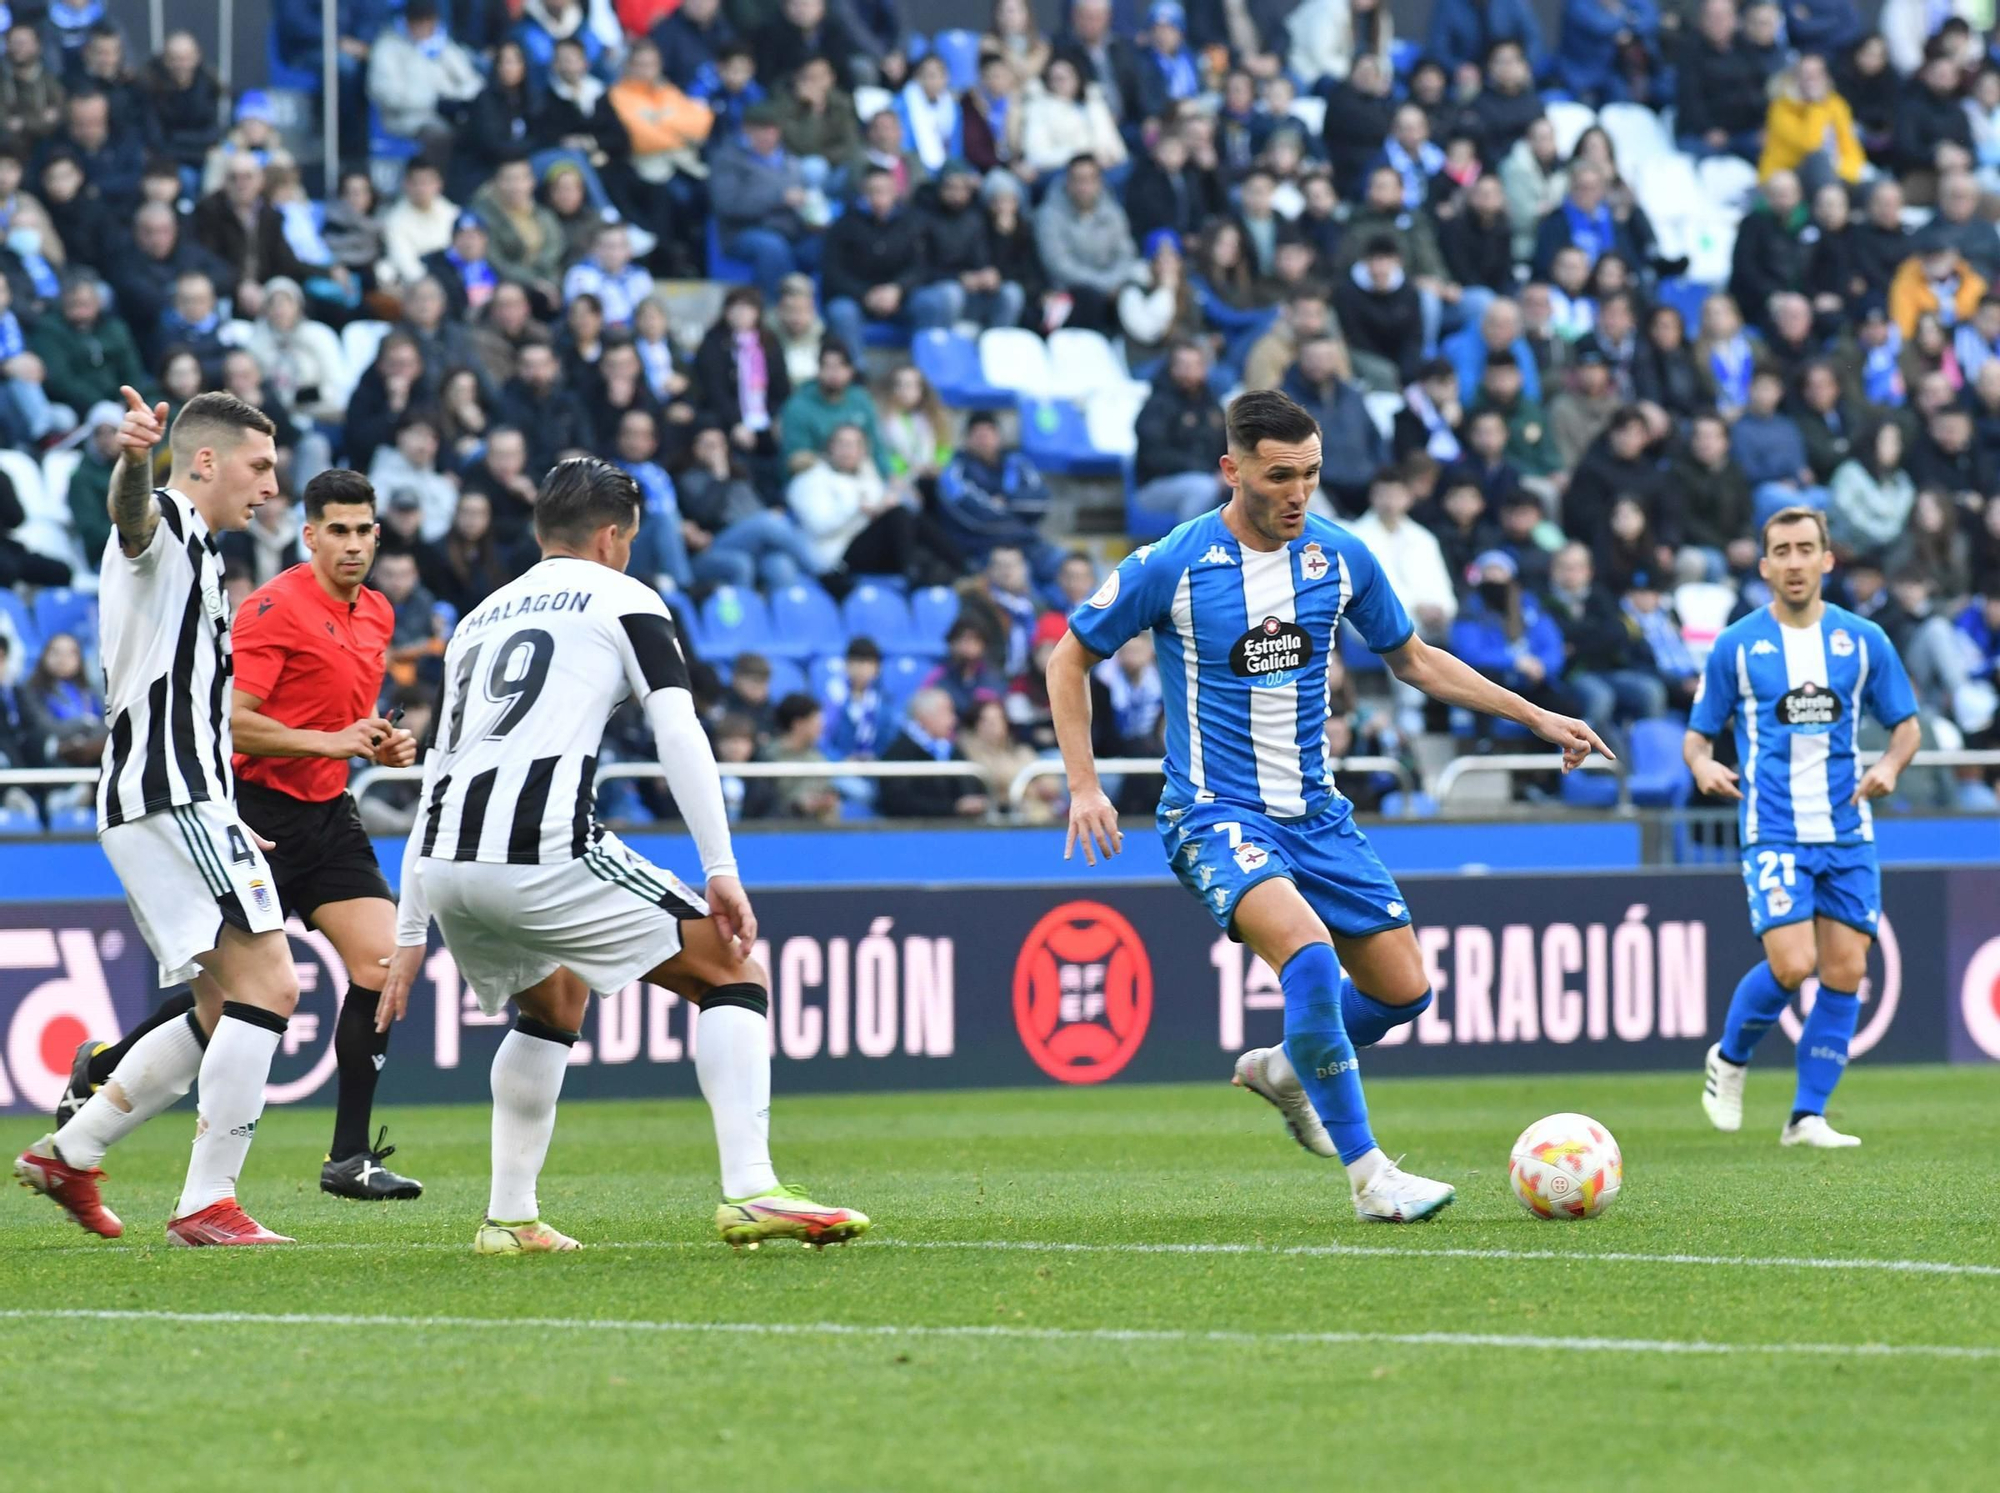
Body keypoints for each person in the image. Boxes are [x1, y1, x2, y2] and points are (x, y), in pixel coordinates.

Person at [1048, 388, 1609, 1224]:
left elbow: (1414, 660)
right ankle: (1371, 1176)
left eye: (1310, 473)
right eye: (1280, 476)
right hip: (1215, 811)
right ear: (1231, 471)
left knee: (1404, 992)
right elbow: (1069, 657)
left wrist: (1535, 713)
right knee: (1309, 956)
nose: (1298, 493)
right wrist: (1085, 783)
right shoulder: (1172, 563)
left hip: (1318, 814)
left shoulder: (1340, 557)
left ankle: (1286, 1065)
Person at [380, 457, 868, 1252]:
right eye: (631, 540)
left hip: (445, 862)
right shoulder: (626, 597)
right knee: (734, 966)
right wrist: (721, 867)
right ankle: (751, 1189)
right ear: (612, 538)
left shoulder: (474, 621)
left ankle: (510, 1217)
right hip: (539, 846)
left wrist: (410, 931)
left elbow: (443, 765)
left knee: (555, 1001)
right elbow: (678, 728)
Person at [64, 469, 425, 1199]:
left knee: (383, 965)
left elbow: (343, 718)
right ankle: (105, 1069)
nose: (353, 545)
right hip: (254, 811)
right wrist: (334, 743)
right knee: (229, 996)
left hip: (328, 816)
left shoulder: (378, 613)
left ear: (377, 535)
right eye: (339, 530)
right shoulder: (273, 609)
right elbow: (233, 717)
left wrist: (379, 744)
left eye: (364, 531)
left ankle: (350, 1156)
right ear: (310, 534)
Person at [15, 389, 302, 1247]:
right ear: (204, 459)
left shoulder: (207, 554)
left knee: (221, 1005)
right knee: (273, 986)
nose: (271, 486)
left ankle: (73, 1150)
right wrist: (136, 460)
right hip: (166, 793)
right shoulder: (168, 522)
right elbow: (130, 518)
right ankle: (206, 1201)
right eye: (259, 466)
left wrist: (223, 805)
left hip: (180, 795)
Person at [1690, 506, 1922, 1150]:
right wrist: (1704, 765)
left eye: (1805, 549)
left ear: (1827, 560)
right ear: (1764, 566)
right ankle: (1730, 1058)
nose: (1793, 562)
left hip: (1848, 829)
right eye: (1781, 551)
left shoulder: (1864, 640)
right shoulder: (1737, 645)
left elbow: (1907, 726)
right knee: (1793, 964)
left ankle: (1807, 1117)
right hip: (1775, 827)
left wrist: (1891, 766)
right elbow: (1697, 735)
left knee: (1846, 968)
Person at [879, 686, 990, 819]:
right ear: (924, 716)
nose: (953, 720)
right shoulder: (898, 753)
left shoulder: (951, 750)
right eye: (947, 712)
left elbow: (972, 788)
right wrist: (953, 808)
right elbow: (899, 804)